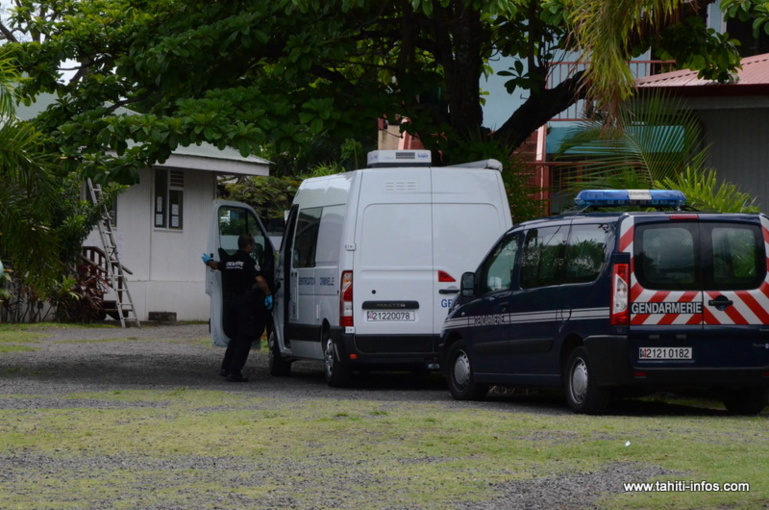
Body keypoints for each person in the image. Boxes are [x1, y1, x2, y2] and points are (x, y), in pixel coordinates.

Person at [202, 233, 273, 382]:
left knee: (235, 337)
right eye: (253, 244)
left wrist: (208, 262)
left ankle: (226, 367)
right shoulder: (249, 261)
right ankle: (234, 372)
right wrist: (268, 294)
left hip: (230, 303)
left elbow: (216, 265)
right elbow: (259, 279)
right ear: (249, 245)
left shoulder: (230, 260)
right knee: (245, 337)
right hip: (244, 303)